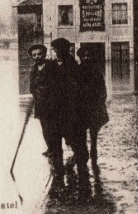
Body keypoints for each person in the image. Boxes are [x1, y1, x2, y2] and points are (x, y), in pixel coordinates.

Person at [50, 38, 90, 183]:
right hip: (57, 109)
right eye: (53, 50)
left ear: (62, 50)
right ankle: (59, 170)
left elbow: (76, 88)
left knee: (75, 138)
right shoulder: (53, 64)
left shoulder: (72, 65)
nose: (54, 52)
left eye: (56, 50)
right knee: (56, 138)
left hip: (71, 109)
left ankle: (82, 167)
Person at [29, 44, 64, 188]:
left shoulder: (52, 66)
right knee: (45, 130)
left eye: (39, 54)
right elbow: (32, 87)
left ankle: (57, 160)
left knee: (55, 131)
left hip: (54, 105)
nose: (37, 57)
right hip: (41, 106)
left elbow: (59, 85)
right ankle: (51, 151)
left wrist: (48, 93)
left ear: (44, 54)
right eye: (34, 55)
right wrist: (36, 94)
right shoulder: (33, 70)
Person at [76, 46, 109, 164]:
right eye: (83, 56)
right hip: (81, 104)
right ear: (80, 57)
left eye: (88, 55)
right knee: (81, 129)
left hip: (94, 103)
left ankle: (93, 148)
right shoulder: (77, 70)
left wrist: (101, 100)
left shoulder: (97, 70)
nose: (86, 58)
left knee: (94, 128)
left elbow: (102, 87)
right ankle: (84, 150)